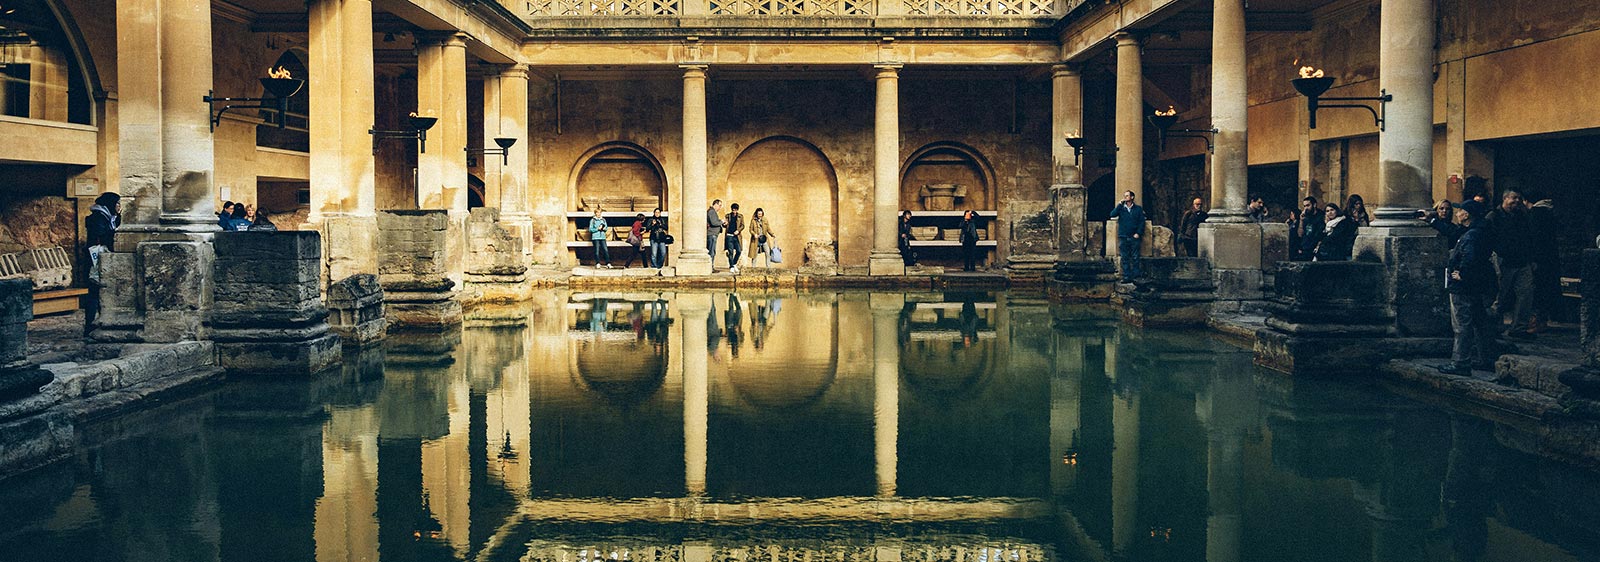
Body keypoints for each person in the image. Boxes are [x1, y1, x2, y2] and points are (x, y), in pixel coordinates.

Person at [1442, 208, 1498, 375]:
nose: (1457, 214)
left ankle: (1460, 363)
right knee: (1480, 322)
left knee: (1461, 324)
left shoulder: (1471, 235)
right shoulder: (1480, 231)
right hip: (1477, 285)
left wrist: (1463, 274)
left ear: (1466, 214)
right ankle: (1485, 359)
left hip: (1463, 287)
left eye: (1459, 211)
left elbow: (1470, 257)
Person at [1486, 191, 1535, 339]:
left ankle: (1518, 328)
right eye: (1514, 197)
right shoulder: (1494, 216)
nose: (1517, 201)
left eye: (1519, 198)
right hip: (1503, 261)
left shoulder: (1522, 216)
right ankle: (1492, 326)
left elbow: (1529, 237)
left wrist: (1531, 259)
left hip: (1522, 261)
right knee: (1500, 296)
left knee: (1526, 295)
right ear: (1505, 198)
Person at [84, 192, 120, 337]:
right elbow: (102, 235)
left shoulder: (111, 217)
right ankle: (90, 325)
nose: (119, 206)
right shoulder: (98, 218)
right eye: (117, 203)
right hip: (96, 259)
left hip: (105, 258)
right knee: (94, 292)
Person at [1528, 198, 1561, 332]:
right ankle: (1543, 321)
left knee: (1536, 291)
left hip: (1539, 259)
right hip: (1550, 259)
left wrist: (1533, 258)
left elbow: (1534, 239)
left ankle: (1536, 322)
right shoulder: (1550, 214)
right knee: (1546, 289)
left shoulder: (1534, 215)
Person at [1108, 190, 1145, 281]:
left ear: (1132, 197)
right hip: (1123, 236)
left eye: (1127, 196)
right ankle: (1126, 276)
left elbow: (1141, 222)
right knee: (1125, 257)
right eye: (1124, 196)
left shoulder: (1138, 209)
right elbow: (1112, 214)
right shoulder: (1121, 208)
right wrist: (1119, 205)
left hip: (1134, 236)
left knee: (1135, 257)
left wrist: (1138, 233)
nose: (1125, 197)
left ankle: (1136, 275)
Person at [1289, 196, 1323, 261]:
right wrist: (1301, 221)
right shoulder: (1305, 217)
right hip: (1304, 249)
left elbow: (1320, 234)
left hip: (1313, 249)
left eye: (1308, 205)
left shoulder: (1320, 216)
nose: (1306, 208)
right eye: (1304, 206)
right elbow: (1300, 234)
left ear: (1314, 205)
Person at [724, 203, 745, 273]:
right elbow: (724, 225)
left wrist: (738, 230)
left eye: (735, 210)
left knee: (739, 251)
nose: (734, 211)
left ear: (737, 210)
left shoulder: (740, 216)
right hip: (729, 236)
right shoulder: (727, 216)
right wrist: (724, 224)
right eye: (733, 210)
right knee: (731, 252)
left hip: (737, 236)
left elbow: (743, 225)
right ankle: (732, 266)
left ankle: (734, 263)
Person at [706, 199, 725, 268]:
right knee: (711, 251)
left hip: (713, 234)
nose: (720, 208)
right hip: (712, 234)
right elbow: (714, 223)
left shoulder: (712, 212)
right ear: (715, 204)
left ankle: (711, 266)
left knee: (712, 251)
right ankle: (710, 267)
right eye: (719, 205)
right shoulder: (712, 212)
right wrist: (722, 221)